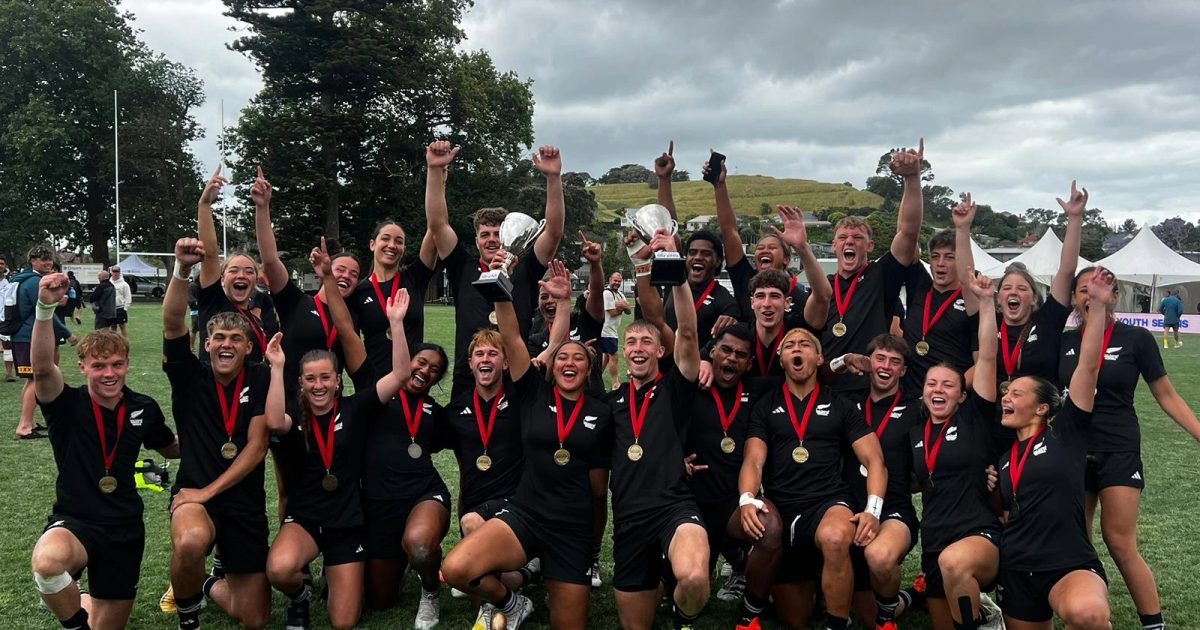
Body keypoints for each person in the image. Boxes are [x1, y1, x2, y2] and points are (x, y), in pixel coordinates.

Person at [441, 260, 613, 630]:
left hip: (571, 528)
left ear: (589, 369)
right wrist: (500, 288)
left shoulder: (602, 413)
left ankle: (535, 574)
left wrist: (566, 303)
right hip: (526, 515)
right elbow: (512, 337)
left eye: (578, 358)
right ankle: (512, 602)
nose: (569, 361)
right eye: (562, 356)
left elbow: (600, 490)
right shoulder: (532, 394)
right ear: (551, 366)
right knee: (455, 568)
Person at [267, 246, 411, 630]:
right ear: (300, 383)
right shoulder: (294, 417)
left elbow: (398, 376)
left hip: (347, 522)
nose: (318, 386)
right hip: (308, 518)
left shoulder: (356, 406)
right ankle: (301, 593)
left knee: (344, 623)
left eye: (325, 378)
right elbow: (271, 421)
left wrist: (396, 324)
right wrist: (277, 367)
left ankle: (339, 572)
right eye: (310, 379)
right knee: (279, 570)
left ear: (338, 380)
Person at [28, 273, 179, 630]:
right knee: (48, 564)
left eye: (116, 365)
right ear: (83, 368)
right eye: (98, 366)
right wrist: (45, 308)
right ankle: (75, 619)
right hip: (77, 520)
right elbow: (42, 368)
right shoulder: (65, 404)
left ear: (126, 363)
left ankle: (79, 599)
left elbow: (170, 448)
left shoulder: (144, 407)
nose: (109, 374)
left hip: (124, 526)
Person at [1061, 267, 1200, 630]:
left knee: (1119, 541)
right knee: (1078, 539)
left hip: (1118, 449)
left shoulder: (1135, 339)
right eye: (1082, 291)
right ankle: (1090, 610)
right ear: (1074, 299)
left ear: (1113, 295)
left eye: (1098, 290)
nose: (1089, 297)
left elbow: (1166, 395)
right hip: (1073, 450)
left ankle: (1154, 624)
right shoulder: (1064, 342)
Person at [163, 237, 285, 630]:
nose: (226, 344)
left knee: (255, 619)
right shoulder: (189, 375)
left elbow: (257, 445)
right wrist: (183, 271)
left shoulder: (261, 376)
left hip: (243, 503)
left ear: (249, 347)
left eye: (236, 339)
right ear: (207, 344)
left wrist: (210, 490)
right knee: (191, 540)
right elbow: (172, 321)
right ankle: (188, 618)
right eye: (219, 338)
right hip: (195, 496)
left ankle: (209, 582)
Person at [738, 326, 887, 630]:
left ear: (819, 358)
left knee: (834, 539)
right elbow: (753, 459)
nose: (797, 349)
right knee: (796, 618)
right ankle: (817, 588)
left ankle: (836, 623)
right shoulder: (766, 405)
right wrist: (747, 500)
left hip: (828, 502)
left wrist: (872, 511)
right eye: (789, 345)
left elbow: (875, 461)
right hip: (783, 507)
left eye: (805, 345)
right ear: (781, 359)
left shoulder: (841, 405)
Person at [992, 268, 1114, 628]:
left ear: (1043, 407)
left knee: (1087, 614)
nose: (1006, 398)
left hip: (1067, 563)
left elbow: (1088, 367)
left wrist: (1098, 310)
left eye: (1016, 393)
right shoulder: (1003, 459)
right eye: (1005, 394)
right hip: (1017, 568)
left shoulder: (1067, 431)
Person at [602, 232, 711, 630]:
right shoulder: (610, 405)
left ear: (659, 352)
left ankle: (683, 618)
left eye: (646, 341)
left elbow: (687, 331)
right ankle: (660, 582)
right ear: (623, 351)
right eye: (630, 341)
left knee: (696, 578)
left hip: (674, 509)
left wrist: (675, 266)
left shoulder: (674, 388)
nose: (637, 347)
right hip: (629, 519)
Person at [254, 170, 362, 520]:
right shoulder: (296, 302)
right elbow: (270, 260)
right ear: (324, 270)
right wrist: (263, 208)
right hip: (289, 407)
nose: (344, 276)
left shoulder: (350, 322)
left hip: (331, 411)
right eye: (339, 268)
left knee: (336, 478)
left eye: (353, 274)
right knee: (290, 486)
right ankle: (294, 569)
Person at [425, 140, 566, 397]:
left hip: (516, 374)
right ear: (476, 240)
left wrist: (553, 177)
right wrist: (435, 171)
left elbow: (554, 232)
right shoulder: (463, 268)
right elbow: (437, 225)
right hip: (469, 376)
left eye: (497, 233)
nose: (491, 239)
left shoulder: (525, 269)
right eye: (484, 234)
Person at [910, 272, 1008, 630]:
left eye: (948, 385)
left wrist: (985, 304)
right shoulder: (915, 433)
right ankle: (979, 612)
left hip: (977, 535)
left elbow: (986, 361)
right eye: (931, 383)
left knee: (955, 564)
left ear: (961, 395)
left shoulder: (974, 417)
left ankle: (986, 620)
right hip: (935, 539)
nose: (939, 389)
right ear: (922, 393)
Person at [678, 322, 783, 628]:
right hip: (688, 505)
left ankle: (750, 611)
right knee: (686, 587)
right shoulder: (690, 382)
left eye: (741, 354)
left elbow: (804, 372)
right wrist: (675, 461)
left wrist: (843, 362)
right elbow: (673, 342)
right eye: (725, 350)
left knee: (771, 527)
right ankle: (736, 560)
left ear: (750, 364)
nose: (732, 358)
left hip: (732, 504)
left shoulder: (759, 390)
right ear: (712, 352)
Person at [832, 334, 924, 630]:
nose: (886, 366)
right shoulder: (847, 403)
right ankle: (909, 598)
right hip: (848, 508)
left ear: (904, 371)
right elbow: (812, 379)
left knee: (880, 557)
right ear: (869, 363)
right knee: (860, 616)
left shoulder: (916, 410)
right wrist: (841, 362)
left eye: (895, 362)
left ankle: (889, 618)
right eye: (880, 359)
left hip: (893, 509)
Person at [821, 141, 925, 396]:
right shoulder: (823, 286)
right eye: (843, 238)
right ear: (833, 246)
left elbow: (908, 232)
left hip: (870, 391)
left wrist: (912, 178)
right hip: (826, 391)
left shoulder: (880, 275)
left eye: (857, 238)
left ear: (869, 246)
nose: (849, 242)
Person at [960, 182, 1085, 388]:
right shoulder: (990, 320)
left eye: (1022, 288)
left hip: (1037, 414)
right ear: (999, 297)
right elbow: (966, 280)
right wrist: (963, 229)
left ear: (1034, 298)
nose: (1013, 292)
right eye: (1007, 288)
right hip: (995, 413)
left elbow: (1066, 271)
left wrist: (1074, 218)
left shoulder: (1047, 320)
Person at [707, 153, 831, 336]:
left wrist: (802, 247)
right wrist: (719, 186)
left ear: (787, 259)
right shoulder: (745, 280)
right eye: (760, 248)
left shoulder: (800, 297)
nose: (764, 250)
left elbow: (823, 296)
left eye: (772, 247)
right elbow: (729, 230)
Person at [898, 195, 980, 395]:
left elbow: (982, 365)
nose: (940, 263)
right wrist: (910, 178)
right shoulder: (919, 285)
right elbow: (906, 234)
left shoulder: (972, 301)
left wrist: (948, 392)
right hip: (911, 398)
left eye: (949, 257)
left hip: (949, 401)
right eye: (935, 257)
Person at [195, 165, 269, 364]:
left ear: (255, 280)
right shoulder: (214, 301)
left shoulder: (256, 318)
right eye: (234, 270)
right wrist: (205, 203)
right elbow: (210, 255)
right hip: (213, 390)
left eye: (248, 271)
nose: (241, 276)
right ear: (222, 277)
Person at [12, 245, 76, 440]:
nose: (48, 262)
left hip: (22, 335)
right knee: (37, 378)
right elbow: (44, 312)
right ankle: (24, 426)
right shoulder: (34, 282)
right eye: (42, 259)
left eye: (49, 259)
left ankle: (29, 421)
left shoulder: (24, 279)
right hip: (29, 336)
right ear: (32, 261)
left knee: (32, 379)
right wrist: (67, 333)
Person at [602, 271, 631, 388]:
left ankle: (595, 377)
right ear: (610, 280)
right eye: (615, 280)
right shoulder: (607, 293)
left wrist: (623, 306)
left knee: (606, 357)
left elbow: (629, 310)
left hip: (612, 331)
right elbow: (612, 312)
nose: (617, 283)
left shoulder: (620, 294)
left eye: (619, 281)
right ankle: (615, 383)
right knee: (613, 356)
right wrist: (623, 307)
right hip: (606, 331)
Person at [109, 265, 132, 338]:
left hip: (121, 308)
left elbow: (128, 296)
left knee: (122, 326)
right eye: (114, 271)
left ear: (119, 272)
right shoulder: (109, 283)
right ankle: (114, 343)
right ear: (111, 272)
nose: (115, 273)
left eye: (117, 271)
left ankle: (125, 343)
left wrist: (125, 308)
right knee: (113, 327)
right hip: (111, 308)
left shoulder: (124, 284)